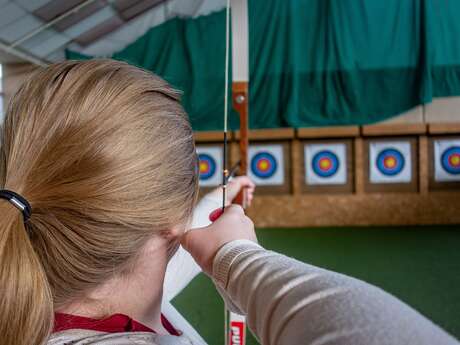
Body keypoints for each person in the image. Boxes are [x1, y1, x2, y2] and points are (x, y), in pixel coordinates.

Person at [0, 60, 458, 345]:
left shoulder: (30, 294)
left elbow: (140, 263)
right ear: (164, 219)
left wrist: (211, 205)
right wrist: (236, 257)